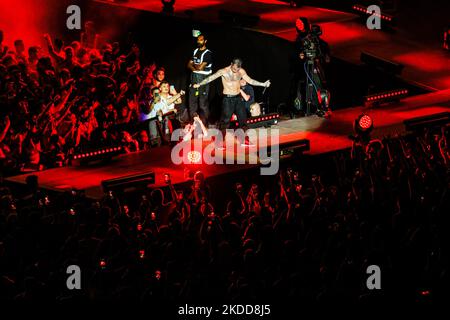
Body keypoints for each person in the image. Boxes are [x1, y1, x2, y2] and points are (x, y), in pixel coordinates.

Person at [193, 58, 270, 146]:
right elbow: (211, 78)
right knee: (225, 122)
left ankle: (244, 140)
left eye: (237, 69)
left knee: (243, 119)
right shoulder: (224, 71)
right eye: (234, 69)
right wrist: (199, 84)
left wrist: (263, 84)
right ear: (231, 64)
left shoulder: (241, 71)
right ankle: (219, 142)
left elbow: (250, 80)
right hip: (227, 99)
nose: (235, 71)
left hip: (238, 98)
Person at [187, 33, 212, 124]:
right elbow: (188, 65)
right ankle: (193, 124)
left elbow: (200, 67)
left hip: (203, 79)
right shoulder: (195, 51)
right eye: (198, 40)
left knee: (202, 104)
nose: (199, 41)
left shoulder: (208, 53)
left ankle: (205, 124)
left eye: (201, 40)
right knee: (192, 103)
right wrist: (194, 68)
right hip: (194, 79)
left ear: (205, 41)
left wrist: (194, 66)